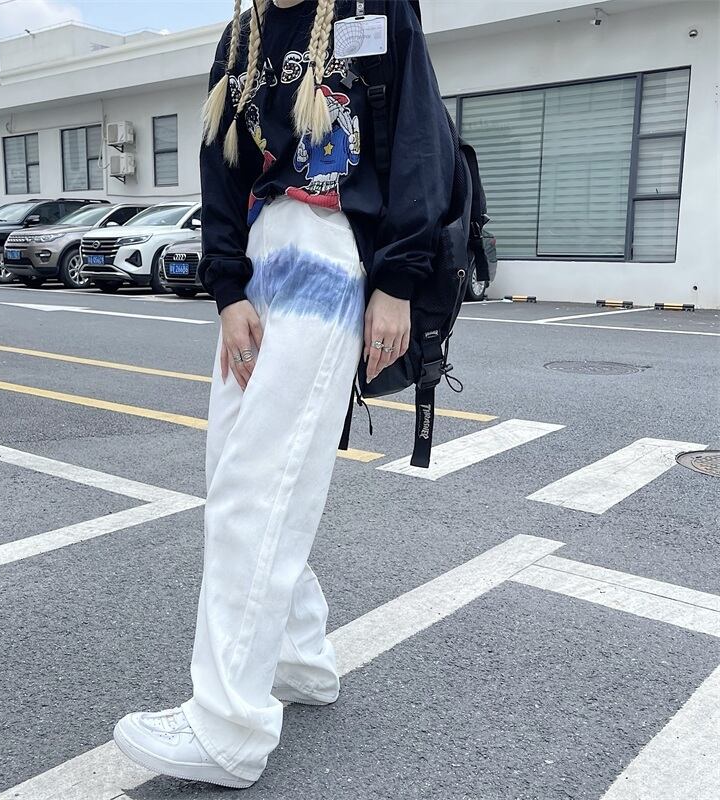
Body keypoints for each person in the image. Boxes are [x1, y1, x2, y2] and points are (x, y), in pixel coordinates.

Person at [113, 0, 454, 788]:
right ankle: (300, 659)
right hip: (260, 264)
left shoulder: (373, 9)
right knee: (237, 475)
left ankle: (228, 728)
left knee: (257, 485)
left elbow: (417, 142)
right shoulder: (241, 36)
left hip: (329, 255)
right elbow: (221, 169)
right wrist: (227, 290)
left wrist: (399, 280)